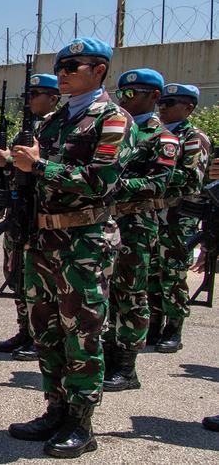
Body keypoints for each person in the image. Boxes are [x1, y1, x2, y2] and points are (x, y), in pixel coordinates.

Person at [7, 37, 134, 458]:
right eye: (60, 66)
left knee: (82, 331)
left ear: (99, 71)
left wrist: (39, 165)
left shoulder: (113, 119)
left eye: (73, 66)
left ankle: (81, 422)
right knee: (46, 330)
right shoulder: (54, 121)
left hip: (83, 241)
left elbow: (101, 181)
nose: (62, 72)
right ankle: (55, 407)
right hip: (44, 238)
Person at [101, 69, 176, 392]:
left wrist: (117, 185)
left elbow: (159, 183)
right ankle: (108, 352)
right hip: (109, 219)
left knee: (130, 293)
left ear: (154, 97)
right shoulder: (117, 130)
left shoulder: (162, 139)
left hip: (137, 223)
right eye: (123, 93)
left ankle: (127, 365)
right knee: (105, 292)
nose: (125, 99)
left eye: (133, 94)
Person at [0, 73, 61, 363]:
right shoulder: (31, 130)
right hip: (21, 210)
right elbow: (19, 173)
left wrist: (17, 161)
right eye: (27, 96)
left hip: (43, 213)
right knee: (18, 273)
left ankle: (41, 336)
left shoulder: (58, 129)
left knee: (45, 283)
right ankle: (25, 330)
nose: (29, 101)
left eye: (35, 95)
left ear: (53, 98)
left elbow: (52, 168)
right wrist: (5, 164)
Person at [150, 82, 212, 353]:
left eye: (169, 104)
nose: (162, 108)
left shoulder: (193, 138)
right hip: (153, 213)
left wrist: (150, 182)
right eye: (161, 103)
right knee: (151, 270)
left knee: (172, 272)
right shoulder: (155, 135)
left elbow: (190, 181)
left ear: (188, 107)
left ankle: (173, 327)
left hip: (179, 216)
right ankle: (152, 324)